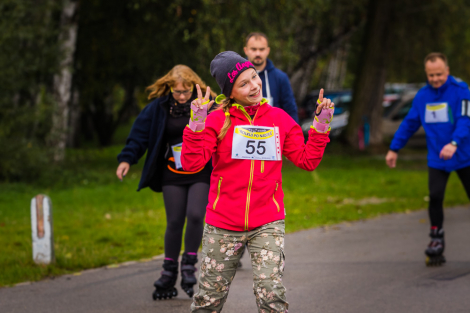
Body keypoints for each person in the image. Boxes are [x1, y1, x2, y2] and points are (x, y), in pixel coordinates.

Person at [182, 51, 334, 312]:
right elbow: (192, 164)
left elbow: (307, 160)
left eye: (254, 77)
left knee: (271, 294)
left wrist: (320, 125)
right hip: (222, 222)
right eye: (243, 83)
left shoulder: (280, 120)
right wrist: (196, 123)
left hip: (267, 221)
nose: (254, 86)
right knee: (208, 300)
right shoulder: (217, 120)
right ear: (230, 93)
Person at [116, 65, 216, 299]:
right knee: (174, 221)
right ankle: (168, 271)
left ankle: (189, 264)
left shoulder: (205, 105)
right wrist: (126, 159)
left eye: (186, 91)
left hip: (200, 170)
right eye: (177, 92)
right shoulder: (158, 108)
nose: (182, 96)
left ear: (194, 86)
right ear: (169, 88)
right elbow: (139, 135)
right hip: (172, 171)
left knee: (195, 215)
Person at [385, 52, 470, 266]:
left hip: (463, 154)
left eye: (439, 74)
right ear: (426, 74)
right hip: (437, 157)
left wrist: (454, 143)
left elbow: (465, 120)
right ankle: (436, 239)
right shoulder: (422, 96)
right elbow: (409, 123)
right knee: (435, 197)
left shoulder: (461, 91)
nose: (435, 79)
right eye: (431, 75)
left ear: (447, 71)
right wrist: (394, 148)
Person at [244, 32, 299, 123]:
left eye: (261, 49)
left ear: (268, 50)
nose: (258, 53)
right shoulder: (235, 77)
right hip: (242, 134)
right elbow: (224, 106)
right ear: (246, 50)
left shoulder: (281, 78)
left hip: (273, 133)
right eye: (253, 49)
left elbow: (290, 111)